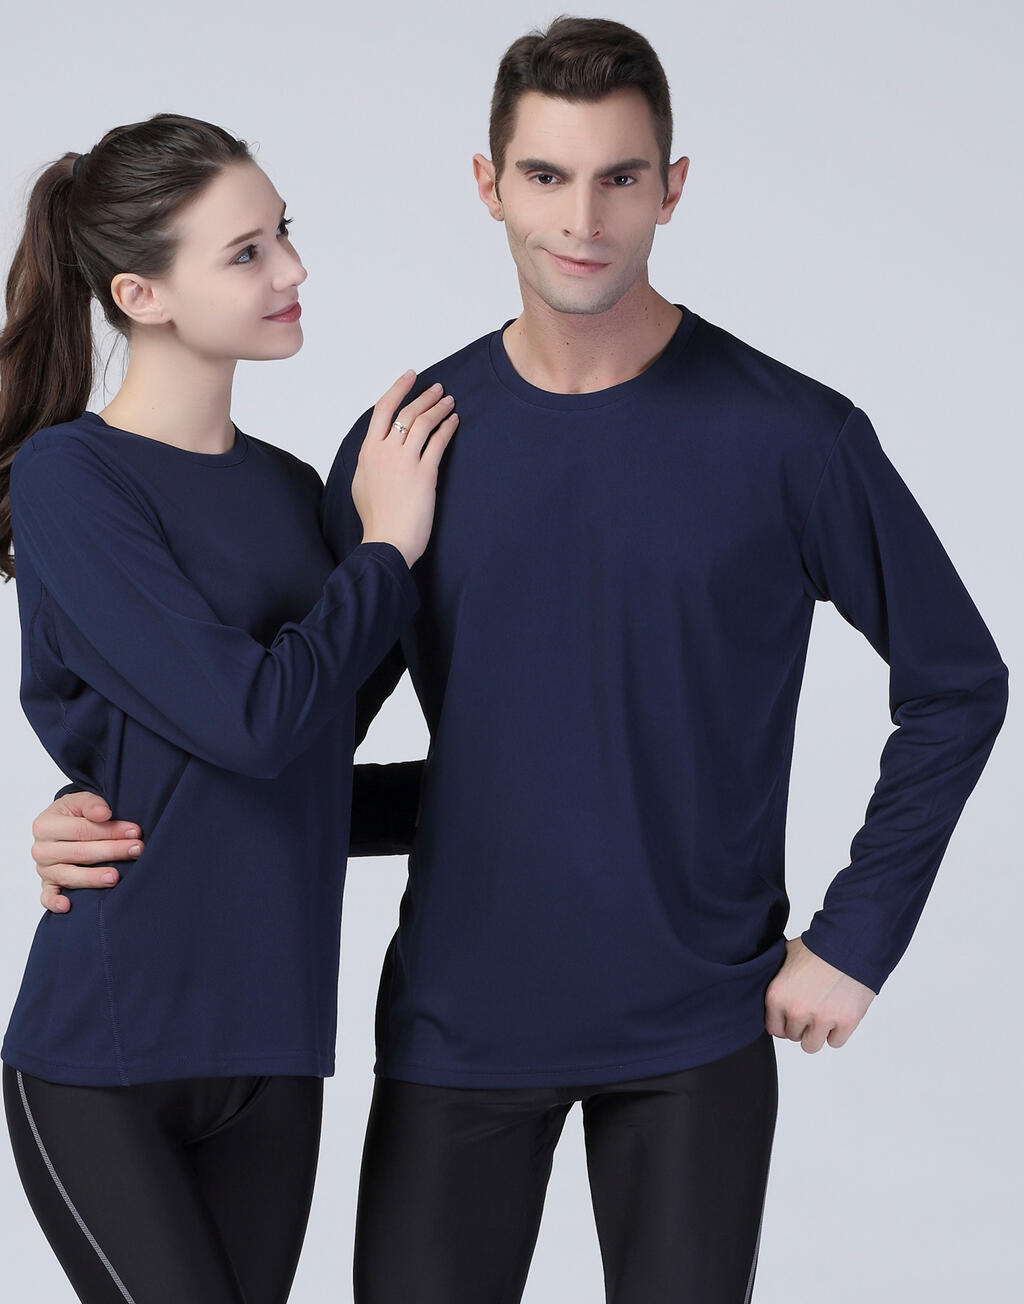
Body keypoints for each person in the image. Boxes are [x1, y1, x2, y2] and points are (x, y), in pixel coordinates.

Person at [30, 17, 1010, 1304]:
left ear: (671, 187)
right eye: (546, 175)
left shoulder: (794, 438)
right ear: (488, 185)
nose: (582, 219)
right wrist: (109, 816)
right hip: (458, 1026)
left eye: (620, 177)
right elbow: (287, 736)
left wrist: (858, 932)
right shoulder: (406, 451)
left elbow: (956, 681)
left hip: (696, 1026)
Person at [0, 113, 457, 1304]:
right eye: (246, 251)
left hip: (277, 1045)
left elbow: (296, 765)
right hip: (108, 1049)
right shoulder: (71, 478)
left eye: (284, 233)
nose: (292, 268)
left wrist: (511, 791)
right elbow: (253, 720)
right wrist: (387, 549)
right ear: (141, 294)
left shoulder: (293, 493)